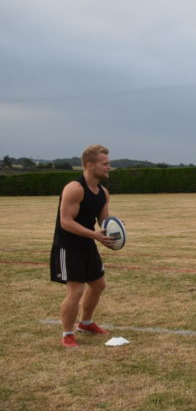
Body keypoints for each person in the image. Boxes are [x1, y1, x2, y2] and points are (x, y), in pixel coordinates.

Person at [50, 144, 118, 348]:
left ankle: (86, 323)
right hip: (68, 245)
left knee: (98, 285)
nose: (108, 167)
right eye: (104, 163)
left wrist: (114, 228)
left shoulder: (103, 192)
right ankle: (67, 334)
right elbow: (66, 222)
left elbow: (103, 220)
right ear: (89, 165)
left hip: (87, 242)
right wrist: (95, 235)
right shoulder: (74, 189)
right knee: (76, 291)